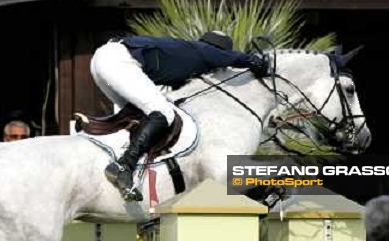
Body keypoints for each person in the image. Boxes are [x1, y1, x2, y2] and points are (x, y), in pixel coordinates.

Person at [90, 31, 269, 200]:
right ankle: (124, 166)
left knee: (136, 115)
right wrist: (256, 62)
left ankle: (118, 154)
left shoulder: (187, 54)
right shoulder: (205, 51)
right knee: (164, 113)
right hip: (119, 61)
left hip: (101, 58)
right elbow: (236, 58)